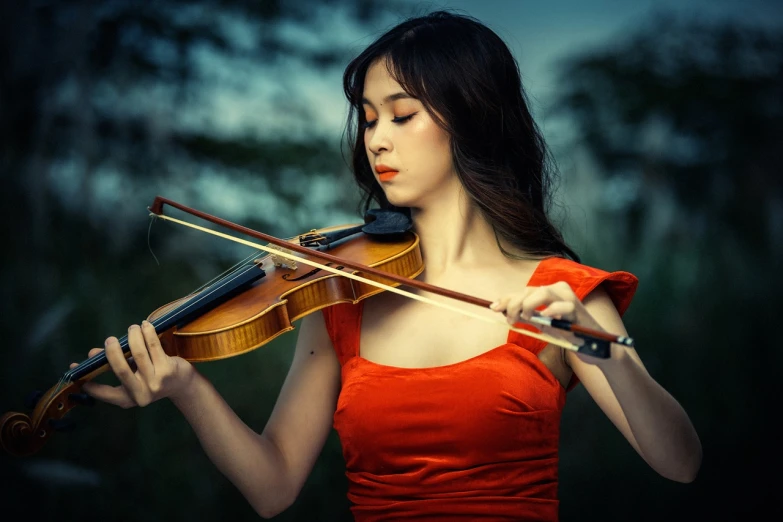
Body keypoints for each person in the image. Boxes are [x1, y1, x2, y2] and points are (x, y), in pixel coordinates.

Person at [76, 11, 702, 521]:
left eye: (402, 116)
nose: (375, 139)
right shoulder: (340, 297)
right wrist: (186, 386)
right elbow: (273, 489)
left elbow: (680, 462)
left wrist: (605, 351)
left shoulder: (560, 295)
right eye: (370, 119)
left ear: (472, 117)